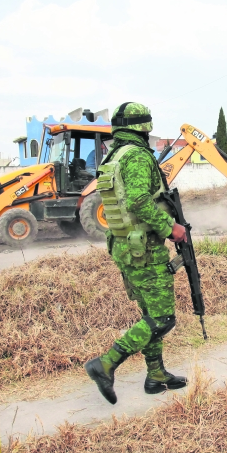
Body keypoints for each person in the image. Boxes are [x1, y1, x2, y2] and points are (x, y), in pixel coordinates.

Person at [85, 102, 189, 404]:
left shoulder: (114, 155)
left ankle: (155, 375)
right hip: (143, 248)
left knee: (149, 314)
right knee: (163, 318)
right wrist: (172, 229)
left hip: (125, 246)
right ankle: (105, 364)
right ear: (144, 128)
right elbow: (139, 201)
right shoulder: (137, 156)